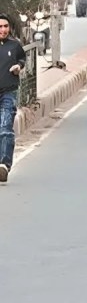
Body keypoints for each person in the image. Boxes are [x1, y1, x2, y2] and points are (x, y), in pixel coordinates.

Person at [0, 14, 26, 183]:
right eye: (0, 27)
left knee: (5, 128)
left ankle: (4, 165)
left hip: (8, 92)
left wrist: (19, 66)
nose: (3, 30)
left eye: (5, 26)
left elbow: (22, 59)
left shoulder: (15, 45)